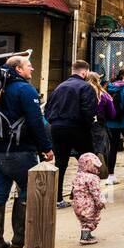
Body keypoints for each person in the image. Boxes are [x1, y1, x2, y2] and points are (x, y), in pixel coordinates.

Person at [0, 54, 54, 248]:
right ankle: (20, 238)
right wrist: (46, 148)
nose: (32, 69)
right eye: (29, 66)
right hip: (19, 150)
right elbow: (35, 121)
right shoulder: (25, 89)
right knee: (27, 189)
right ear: (18, 70)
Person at [45, 59, 99, 208]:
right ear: (85, 72)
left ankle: (58, 198)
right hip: (77, 128)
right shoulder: (85, 87)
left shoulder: (59, 87)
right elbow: (90, 111)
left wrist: (54, 121)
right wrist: (87, 124)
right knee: (87, 161)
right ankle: (83, 193)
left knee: (60, 163)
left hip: (57, 128)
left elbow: (47, 110)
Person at [70, 152, 106, 244]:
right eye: (96, 166)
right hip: (88, 204)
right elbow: (96, 192)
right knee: (91, 219)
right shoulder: (93, 178)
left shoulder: (78, 175)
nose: (97, 169)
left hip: (77, 204)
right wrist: (100, 202)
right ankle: (85, 238)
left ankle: (87, 234)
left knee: (84, 220)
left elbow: (73, 189)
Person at [86, 71, 115, 176]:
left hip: (84, 126)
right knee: (101, 147)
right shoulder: (103, 94)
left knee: (86, 151)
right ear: (98, 80)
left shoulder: (82, 92)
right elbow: (112, 113)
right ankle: (100, 161)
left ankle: (86, 175)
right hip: (99, 125)